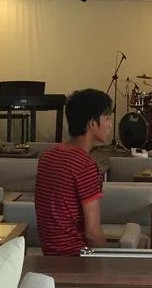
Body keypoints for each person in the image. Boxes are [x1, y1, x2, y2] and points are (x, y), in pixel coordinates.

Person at [34, 88, 112, 256]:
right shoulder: (84, 165)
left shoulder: (48, 156)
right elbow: (92, 234)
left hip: (49, 255)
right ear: (92, 124)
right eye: (107, 118)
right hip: (77, 258)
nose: (110, 125)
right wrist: (109, 259)